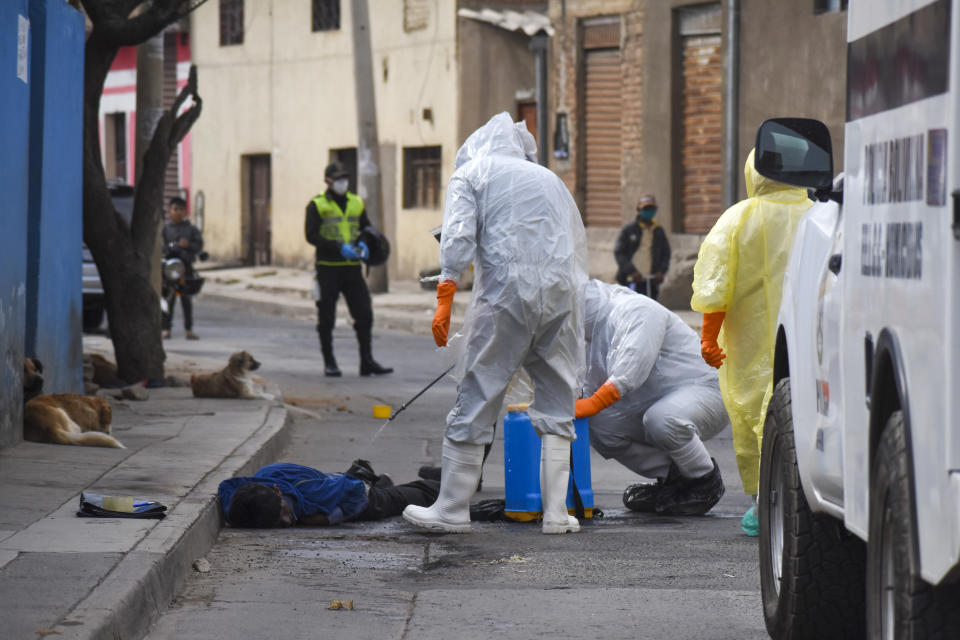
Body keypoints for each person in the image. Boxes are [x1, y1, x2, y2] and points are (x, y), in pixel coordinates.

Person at [402, 112, 588, 535]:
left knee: (479, 392)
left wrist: (445, 295)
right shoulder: (549, 180)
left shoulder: (473, 174)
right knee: (558, 398)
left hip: (507, 295)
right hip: (560, 298)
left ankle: (451, 508)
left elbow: (459, 238)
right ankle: (557, 515)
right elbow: (575, 243)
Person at [690, 148, 811, 535]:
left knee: (754, 422)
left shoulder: (738, 220)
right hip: (809, 341)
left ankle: (765, 505)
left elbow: (715, 286)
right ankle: (805, 499)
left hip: (750, 347)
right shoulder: (821, 215)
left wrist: (709, 340)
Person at [575, 279, 728, 515]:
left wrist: (593, 403)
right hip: (658, 403)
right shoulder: (590, 337)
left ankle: (703, 479)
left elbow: (631, 370)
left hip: (707, 392)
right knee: (600, 426)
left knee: (662, 419)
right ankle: (675, 477)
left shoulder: (635, 309)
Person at [305, 161, 392, 378]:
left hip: (352, 268)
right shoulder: (317, 205)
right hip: (328, 269)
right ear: (328, 181)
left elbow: (365, 227)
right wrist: (337, 247)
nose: (343, 182)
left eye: (345, 178)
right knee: (326, 317)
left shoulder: (356, 202)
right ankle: (330, 362)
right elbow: (311, 235)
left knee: (364, 314)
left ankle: (367, 361)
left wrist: (363, 242)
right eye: (338, 179)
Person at [218, 461, 440, 527]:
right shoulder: (259, 480)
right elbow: (226, 489)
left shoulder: (313, 493)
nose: (287, 521)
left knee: (422, 494)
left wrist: (329, 518)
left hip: (362, 498)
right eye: (278, 522)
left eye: (284, 512)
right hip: (332, 482)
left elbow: (356, 490)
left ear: (277, 490)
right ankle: (382, 481)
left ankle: (449, 480)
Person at [613, 194, 671, 299]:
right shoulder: (629, 229)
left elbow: (666, 253)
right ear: (639, 209)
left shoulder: (658, 231)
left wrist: (661, 271)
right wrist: (631, 271)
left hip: (651, 280)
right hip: (632, 280)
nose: (649, 211)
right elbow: (619, 253)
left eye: (651, 208)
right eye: (646, 208)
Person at [161, 196, 203, 340]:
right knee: (168, 300)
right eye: (175, 209)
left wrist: (188, 246)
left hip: (185, 269)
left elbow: (199, 246)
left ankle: (189, 329)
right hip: (169, 271)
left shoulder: (191, 229)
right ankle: (166, 329)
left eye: (181, 209)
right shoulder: (165, 229)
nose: (178, 212)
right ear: (170, 211)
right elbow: (161, 247)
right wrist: (173, 247)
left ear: (185, 212)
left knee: (186, 299)